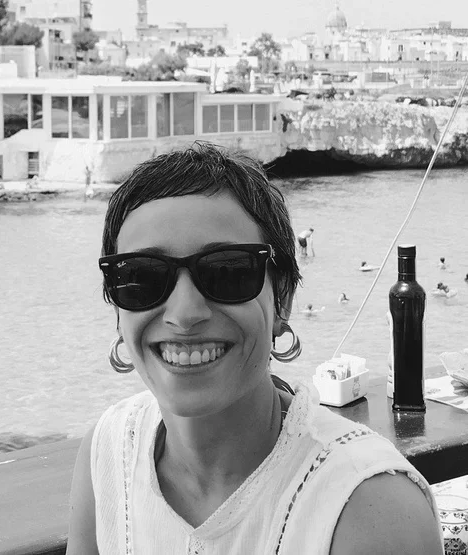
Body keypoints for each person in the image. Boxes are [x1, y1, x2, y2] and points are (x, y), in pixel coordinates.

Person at [67, 143, 443, 554]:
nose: (185, 313)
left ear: (282, 298)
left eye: (228, 271)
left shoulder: (372, 509)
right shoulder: (108, 452)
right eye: (141, 277)